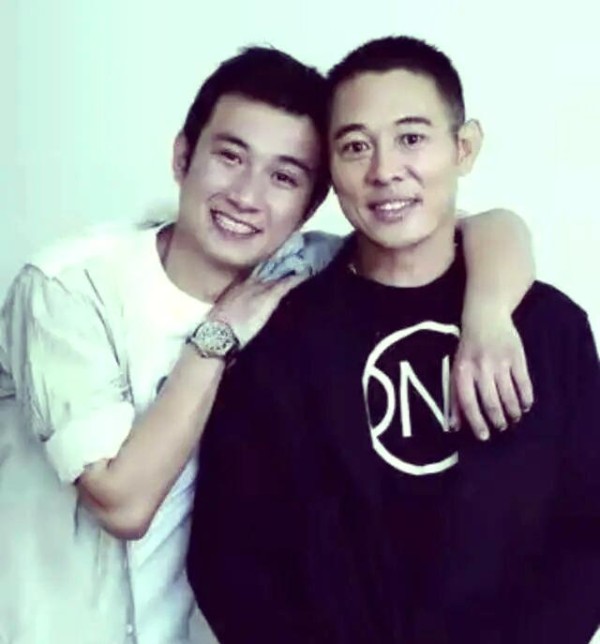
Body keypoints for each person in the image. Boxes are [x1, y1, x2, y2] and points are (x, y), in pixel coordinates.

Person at [0, 46, 534, 644]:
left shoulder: (302, 271)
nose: (247, 196)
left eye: (284, 177)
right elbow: (122, 504)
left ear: (312, 203)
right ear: (182, 156)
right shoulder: (67, 288)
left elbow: (484, 226)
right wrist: (216, 338)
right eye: (230, 157)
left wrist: (488, 315)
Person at [187, 37, 600, 643]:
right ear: (330, 171)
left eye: (411, 138)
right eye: (355, 146)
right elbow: (230, 556)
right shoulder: (280, 335)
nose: (384, 171)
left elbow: (587, 533)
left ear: (464, 148)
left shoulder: (548, 328)